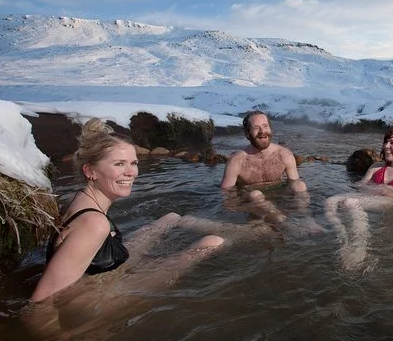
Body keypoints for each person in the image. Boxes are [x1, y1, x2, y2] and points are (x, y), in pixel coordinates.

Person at [30, 118, 225, 303]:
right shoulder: (94, 224)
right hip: (98, 300)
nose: (131, 172)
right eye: (119, 164)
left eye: (133, 163)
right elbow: (41, 300)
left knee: (170, 218)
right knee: (212, 243)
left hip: (100, 276)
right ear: (90, 171)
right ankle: (250, 233)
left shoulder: (79, 199)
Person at [325, 127, 393, 271]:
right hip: (372, 198)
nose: (386, 146)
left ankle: (360, 248)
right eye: (385, 142)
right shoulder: (376, 167)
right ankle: (342, 237)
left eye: (392, 143)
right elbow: (359, 187)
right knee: (330, 201)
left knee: (350, 203)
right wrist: (371, 188)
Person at [220, 111, 310, 225]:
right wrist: (246, 208)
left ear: (271, 129)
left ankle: (306, 219)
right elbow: (227, 198)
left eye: (265, 126)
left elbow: (294, 182)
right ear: (247, 134)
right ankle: (279, 220)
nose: (262, 132)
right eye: (256, 128)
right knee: (255, 194)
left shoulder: (284, 154)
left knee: (300, 185)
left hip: (278, 196)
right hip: (252, 202)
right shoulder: (237, 161)